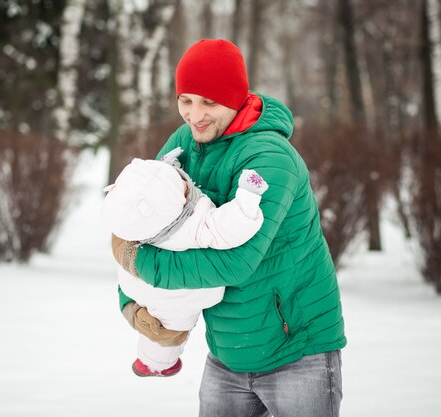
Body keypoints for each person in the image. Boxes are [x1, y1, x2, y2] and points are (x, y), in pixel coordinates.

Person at [111, 39, 346, 417]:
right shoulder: (184, 143)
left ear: (236, 98)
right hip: (227, 350)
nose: (194, 115)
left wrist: (138, 263)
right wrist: (134, 303)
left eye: (208, 102)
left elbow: (236, 263)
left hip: (299, 353)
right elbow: (147, 222)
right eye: (185, 100)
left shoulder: (270, 159)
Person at [101, 148, 269, 377]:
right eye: (181, 186)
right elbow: (228, 228)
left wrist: (166, 168)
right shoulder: (192, 226)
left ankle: (151, 360)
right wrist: (247, 199)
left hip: (137, 285)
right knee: (165, 335)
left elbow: (151, 187)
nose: (186, 184)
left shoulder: (141, 225)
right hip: (176, 300)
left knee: (152, 328)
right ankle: (156, 364)